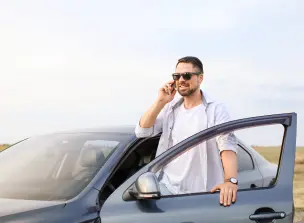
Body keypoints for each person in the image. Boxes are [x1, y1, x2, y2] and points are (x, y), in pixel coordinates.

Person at [135, 56, 238, 207]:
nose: (181, 79)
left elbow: (227, 145)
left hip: (204, 192)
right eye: (177, 76)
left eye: (187, 75)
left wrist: (230, 181)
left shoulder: (216, 109)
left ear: (200, 78)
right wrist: (160, 101)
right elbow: (142, 131)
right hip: (168, 190)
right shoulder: (170, 109)